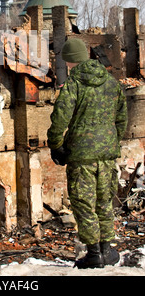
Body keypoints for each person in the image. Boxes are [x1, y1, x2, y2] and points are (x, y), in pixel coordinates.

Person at [47, 38, 128, 269]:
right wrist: (110, 141)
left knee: (84, 203)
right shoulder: (111, 83)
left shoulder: (74, 84)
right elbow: (122, 118)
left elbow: (60, 118)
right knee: (104, 202)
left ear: (70, 61)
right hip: (107, 155)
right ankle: (107, 250)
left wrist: (56, 145)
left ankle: (94, 254)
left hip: (81, 156)